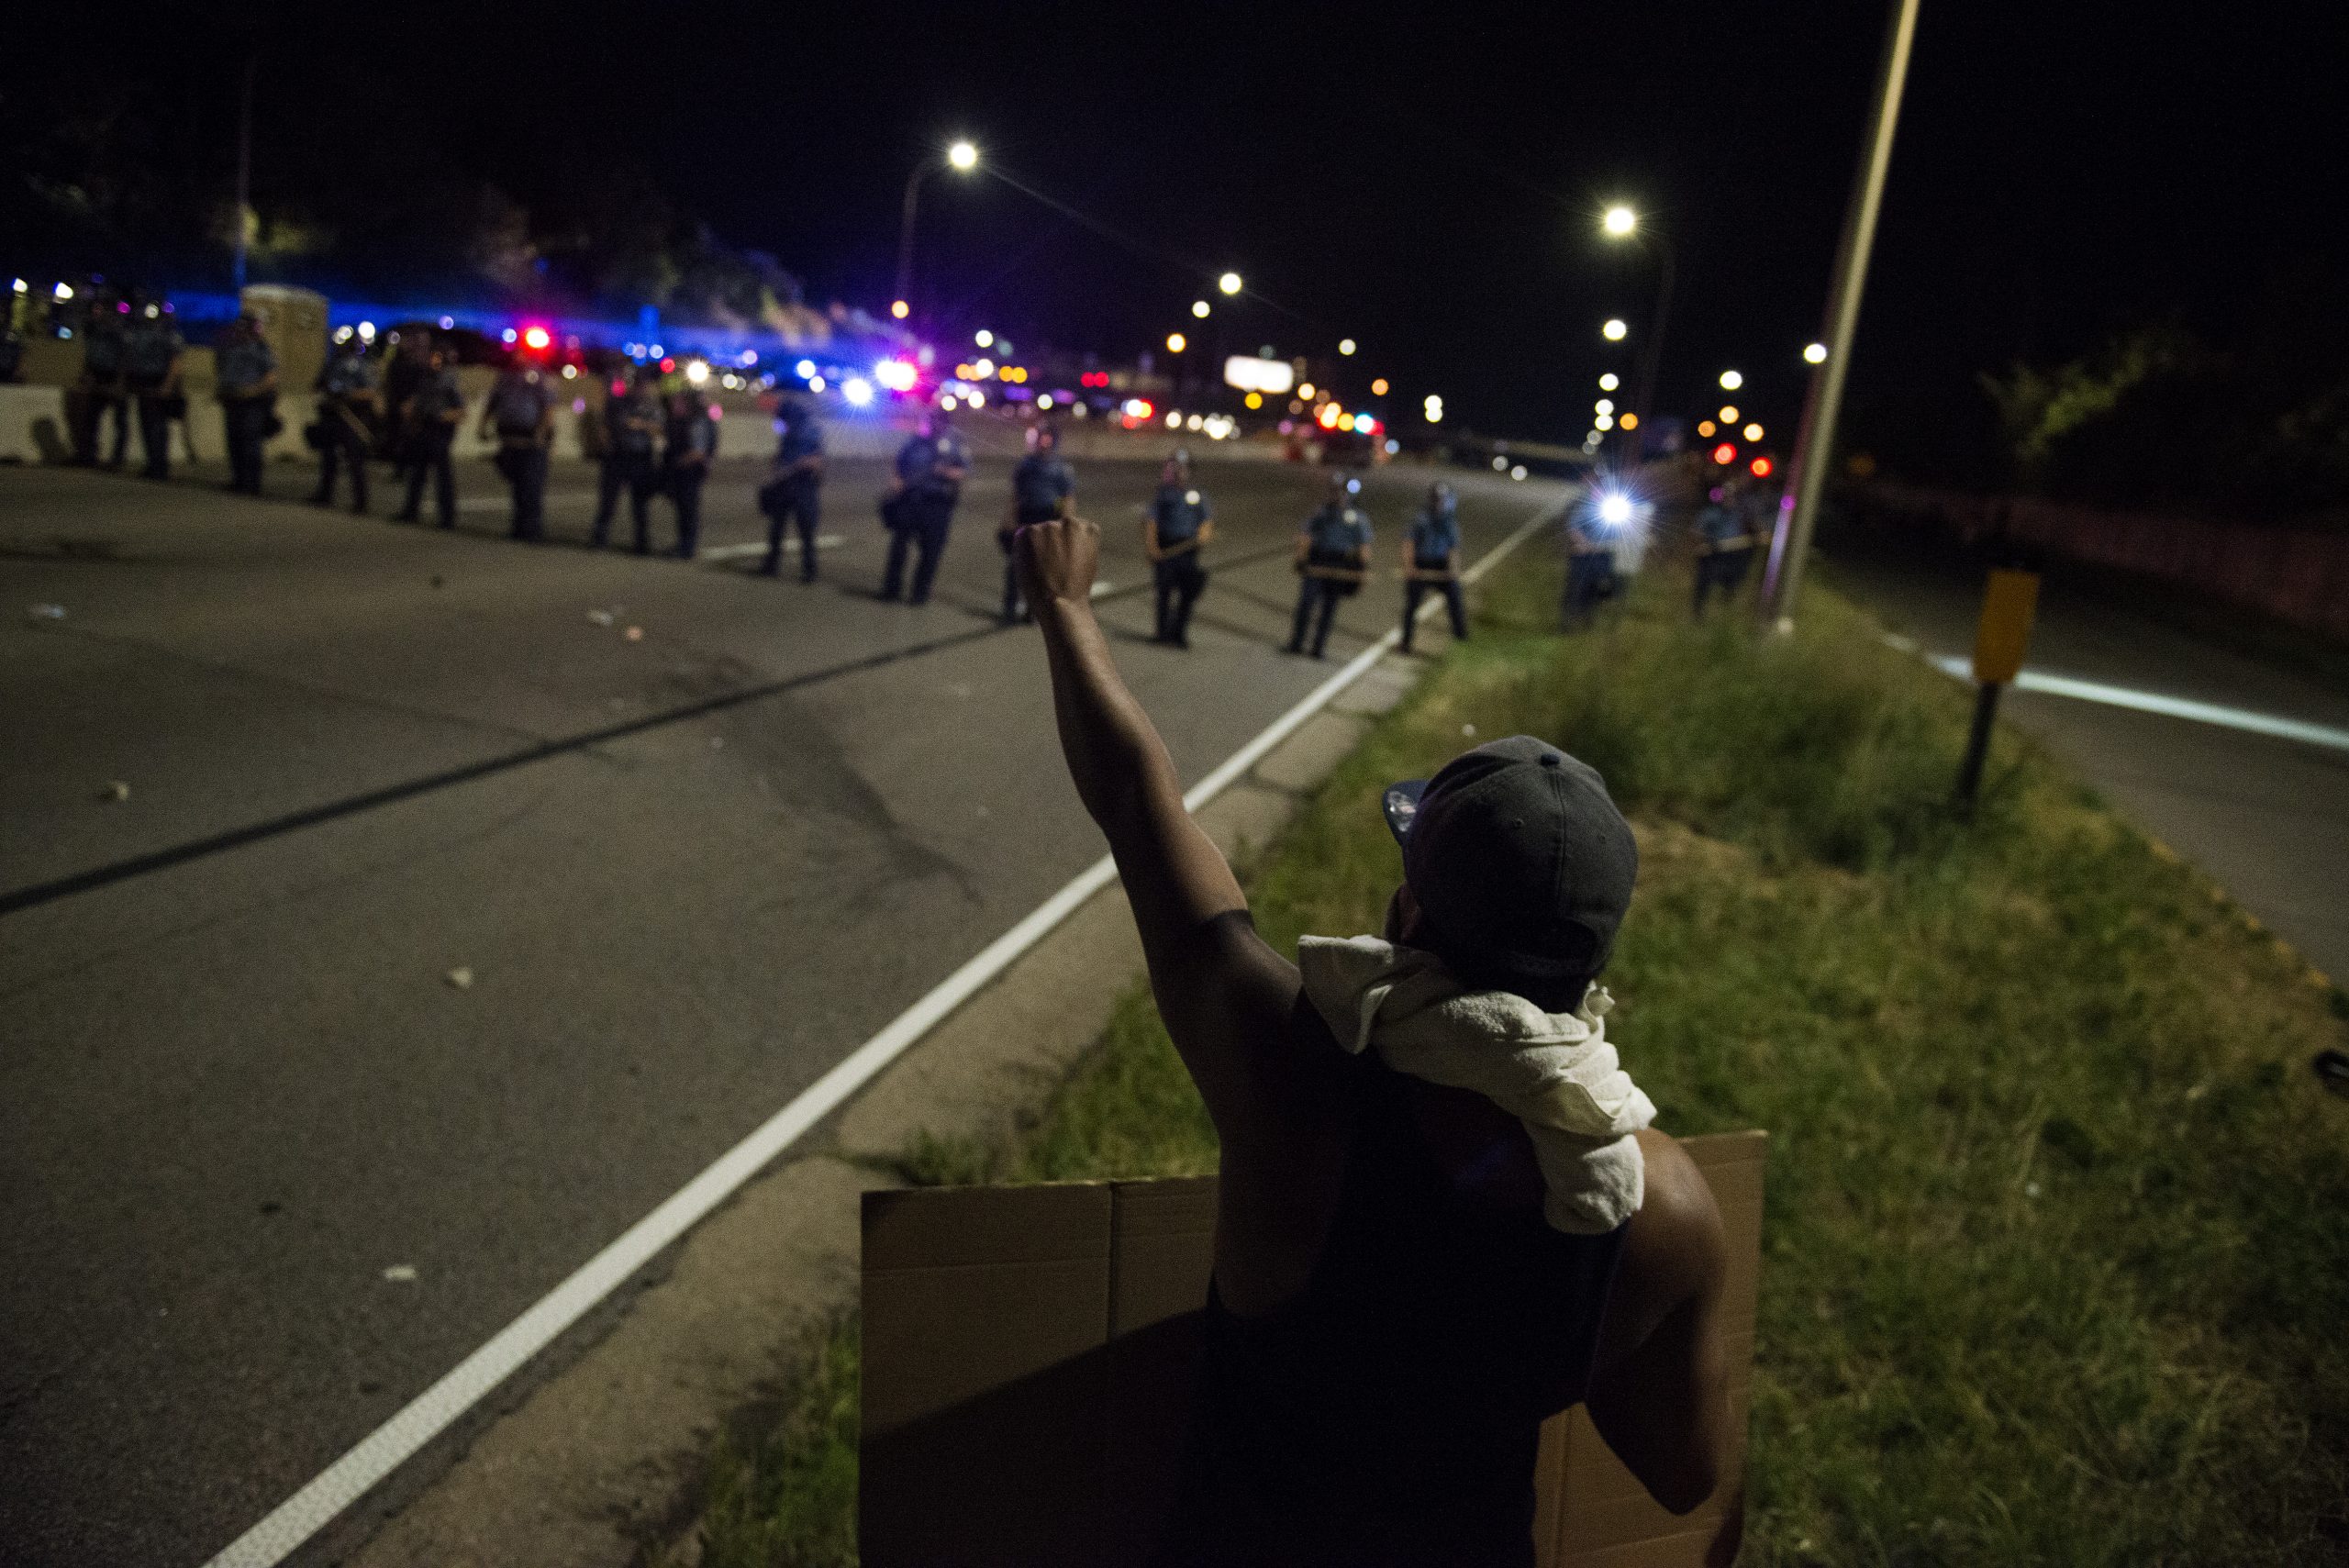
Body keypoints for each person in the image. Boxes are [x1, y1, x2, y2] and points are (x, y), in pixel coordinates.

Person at [1013, 514, 1730, 1566]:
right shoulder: (1653, 1202)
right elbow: (1686, 1475)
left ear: (1405, 915)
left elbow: (1136, 799)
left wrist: (1065, 605)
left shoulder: (1290, 1070)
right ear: (1589, 973)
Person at [879, 413, 970, 606]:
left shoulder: (953, 446)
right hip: (910, 501)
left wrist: (944, 472)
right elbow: (899, 464)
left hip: (937, 503)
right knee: (899, 547)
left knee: (930, 552)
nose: (932, 426)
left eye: (937, 422)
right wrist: (896, 482)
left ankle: (920, 593)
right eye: (930, 422)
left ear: (945, 425)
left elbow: (963, 472)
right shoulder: (914, 443)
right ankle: (891, 589)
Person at [1286, 471, 1373, 659]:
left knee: (1329, 607)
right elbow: (1306, 535)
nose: (1337, 496)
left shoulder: (1356, 517)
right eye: (1334, 491)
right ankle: (1296, 643)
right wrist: (1301, 559)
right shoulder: (1321, 513)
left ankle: (1318, 647)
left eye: (1340, 492)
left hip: (1340, 564)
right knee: (1306, 602)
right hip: (1318, 560)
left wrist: (1362, 569)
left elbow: (1363, 545)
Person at [1001, 421, 1074, 622]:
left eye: (1047, 438)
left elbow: (1068, 498)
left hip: (1048, 518)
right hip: (1026, 516)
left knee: (1041, 568)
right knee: (1016, 564)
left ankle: (1033, 610)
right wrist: (1008, 519)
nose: (1043, 443)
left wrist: (1066, 526)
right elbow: (1016, 495)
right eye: (1040, 438)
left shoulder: (1061, 469)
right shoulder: (1025, 466)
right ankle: (1009, 608)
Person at [479, 357, 557, 541]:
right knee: (517, 487)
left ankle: (532, 530)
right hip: (510, 439)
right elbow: (493, 401)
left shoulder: (540, 375)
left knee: (531, 488)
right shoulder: (506, 376)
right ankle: (518, 527)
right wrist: (483, 425)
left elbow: (548, 407)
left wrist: (541, 433)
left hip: (532, 441)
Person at [1145, 447, 1213, 648]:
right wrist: (1153, 548)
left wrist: (1203, 534)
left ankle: (1179, 633)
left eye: (1183, 468)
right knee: (1164, 592)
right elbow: (1151, 522)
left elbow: (1206, 520)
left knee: (1187, 594)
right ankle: (1162, 633)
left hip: (1188, 551)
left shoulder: (1197, 494)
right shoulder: (1163, 494)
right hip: (1167, 548)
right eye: (1175, 468)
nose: (1179, 472)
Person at [392, 343, 464, 528]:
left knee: (442, 476)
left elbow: (459, 410)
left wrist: (443, 416)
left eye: (437, 357)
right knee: (417, 473)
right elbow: (419, 399)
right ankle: (411, 510)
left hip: (439, 429)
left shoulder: (449, 379)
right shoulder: (426, 378)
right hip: (423, 427)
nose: (433, 360)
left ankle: (447, 518)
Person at [592, 366, 662, 550]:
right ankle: (599, 537)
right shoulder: (616, 403)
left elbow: (658, 430)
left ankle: (642, 542)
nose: (638, 388)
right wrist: (606, 446)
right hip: (617, 455)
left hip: (640, 457)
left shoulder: (651, 406)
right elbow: (604, 427)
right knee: (608, 500)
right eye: (635, 384)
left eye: (641, 384)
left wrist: (642, 425)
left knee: (639, 502)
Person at [757, 391, 825, 580]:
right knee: (778, 527)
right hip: (786, 483)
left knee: (805, 530)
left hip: (802, 484)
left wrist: (797, 465)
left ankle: (809, 571)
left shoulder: (807, 431)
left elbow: (815, 460)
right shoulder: (793, 430)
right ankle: (772, 565)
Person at [310, 335, 380, 514]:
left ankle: (360, 501)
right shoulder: (333, 363)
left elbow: (370, 392)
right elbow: (319, 384)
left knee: (354, 459)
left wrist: (348, 395)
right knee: (328, 457)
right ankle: (325, 494)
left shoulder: (362, 366)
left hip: (351, 416)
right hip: (331, 414)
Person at [214, 311, 279, 495]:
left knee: (250, 443)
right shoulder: (230, 348)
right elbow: (222, 370)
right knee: (234, 442)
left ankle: (252, 484)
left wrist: (253, 390)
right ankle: (239, 480)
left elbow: (271, 377)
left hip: (253, 403)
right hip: (232, 400)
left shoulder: (261, 349)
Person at [1400, 480, 1468, 654]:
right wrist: (1409, 566)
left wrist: (1452, 570)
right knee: (1411, 605)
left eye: (1441, 500)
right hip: (1421, 564)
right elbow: (1409, 543)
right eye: (1436, 499)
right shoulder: (1420, 519)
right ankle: (1405, 642)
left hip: (1441, 566)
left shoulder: (1449, 522)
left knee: (1455, 597)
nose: (1438, 503)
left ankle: (1462, 639)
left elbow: (1454, 549)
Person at [122, 297, 185, 481]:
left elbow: (176, 362)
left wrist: (167, 385)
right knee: (146, 425)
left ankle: (159, 466)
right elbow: (131, 357)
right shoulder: (139, 332)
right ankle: (152, 463)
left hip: (160, 381)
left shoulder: (169, 335)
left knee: (158, 427)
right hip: (144, 381)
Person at [72, 289, 130, 469]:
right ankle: (87, 454)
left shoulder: (119, 330)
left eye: (102, 309)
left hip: (115, 376)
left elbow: (125, 357)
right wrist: (87, 375)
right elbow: (90, 355)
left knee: (119, 421)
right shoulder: (92, 329)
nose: (98, 312)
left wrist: (120, 383)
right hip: (97, 374)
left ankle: (117, 459)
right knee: (91, 417)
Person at [661, 386, 719, 560]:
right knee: (683, 510)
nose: (674, 406)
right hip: (684, 471)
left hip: (689, 472)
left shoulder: (697, 423)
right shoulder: (682, 421)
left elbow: (698, 453)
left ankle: (687, 548)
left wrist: (677, 463)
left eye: (678, 403)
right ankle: (683, 545)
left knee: (688, 510)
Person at [382, 328, 437, 485]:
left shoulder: (420, 364)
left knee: (411, 439)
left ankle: (413, 471)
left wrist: (412, 403)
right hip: (397, 404)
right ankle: (401, 469)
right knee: (399, 438)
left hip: (412, 406)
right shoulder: (397, 361)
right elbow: (390, 383)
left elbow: (421, 387)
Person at [1690, 483, 1755, 617]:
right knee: (1704, 583)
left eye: (1732, 497)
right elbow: (1696, 531)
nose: (1729, 500)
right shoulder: (1710, 513)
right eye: (1727, 496)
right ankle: (1698, 613)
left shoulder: (1739, 514)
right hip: (1712, 555)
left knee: (1732, 585)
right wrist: (1707, 542)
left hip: (1733, 555)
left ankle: (1726, 615)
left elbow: (1750, 532)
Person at [1562, 506, 1616, 630]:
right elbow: (1573, 527)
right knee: (1576, 586)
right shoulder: (1585, 509)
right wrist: (1584, 543)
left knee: (1597, 587)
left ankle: (1588, 616)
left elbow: (1620, 536)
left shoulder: (1617, 512)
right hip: (1583, 556)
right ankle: (1568, 620)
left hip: (1602, 556)